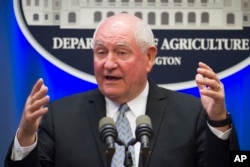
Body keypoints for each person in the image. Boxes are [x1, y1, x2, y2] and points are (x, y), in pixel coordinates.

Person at [5, 13, 238, 167]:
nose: (108, 63)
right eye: (101, 52)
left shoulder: (192, 114)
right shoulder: (59, 117)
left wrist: (218, 121)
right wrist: (25, 137)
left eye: (121, 52)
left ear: (149, 57)